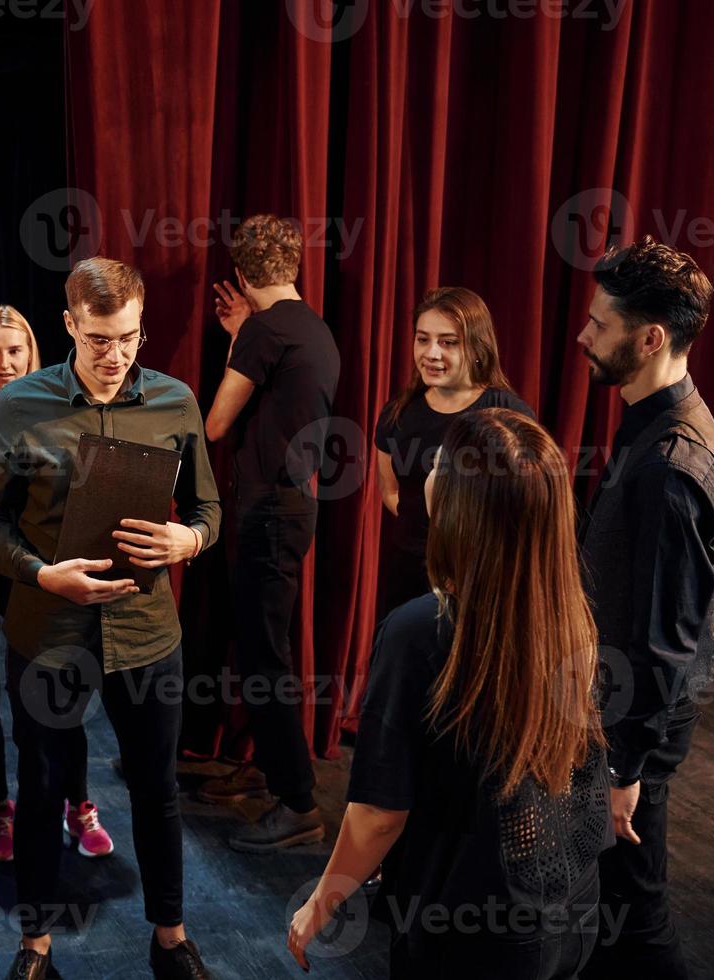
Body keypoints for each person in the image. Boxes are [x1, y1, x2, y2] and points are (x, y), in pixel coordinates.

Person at [288, 408, 613, 979]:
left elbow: (379, 815)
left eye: (439, 462)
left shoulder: (421, 631)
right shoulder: (570, 612)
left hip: (472, 932)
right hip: (571, 909)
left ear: (465, 506)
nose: (428, 469)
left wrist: (322, 900)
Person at [0, 257, 222, 980]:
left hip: (145, 633)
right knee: (42, 790)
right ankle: (36, 946)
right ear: (69, 325)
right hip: (48, 630)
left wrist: (189, 540)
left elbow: (208, 510)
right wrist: (43, 573)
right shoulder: (20, 404)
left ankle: (169, 937)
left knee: (155, 789)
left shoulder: (175, 402)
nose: (115, 356)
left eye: (129, 338)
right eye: (99, 339)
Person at [576, 238, 714, 980]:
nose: (582, 335)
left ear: (649, 339)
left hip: (633, 731)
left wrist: (621, 771)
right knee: (613, 914)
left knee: (636, 917)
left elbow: (665, 642)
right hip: (622, 716)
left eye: (598, 324)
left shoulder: (670, 464)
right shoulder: (652, 424)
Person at [0, 305, 111, 861]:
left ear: (33, 352)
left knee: (57, 697)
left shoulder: (60, 416)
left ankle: (77, 804)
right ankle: (1, 811)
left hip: (39, 579)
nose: (4, 362)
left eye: (15, 350)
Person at [196, 214, 342, 854]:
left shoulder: (263, 331)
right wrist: (244, 335)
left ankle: (298, 803)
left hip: (265, 514)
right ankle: (266, 773)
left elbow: (215, 424)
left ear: (241, 275)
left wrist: (238, 339)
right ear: (295, 266)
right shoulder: (313, 328)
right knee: (257, 645)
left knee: (264, 658)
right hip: (290, 509)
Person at [373, 287, 533, 616]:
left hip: (481, 579)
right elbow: (390, 490)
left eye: (448, 342)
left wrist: (463, 547)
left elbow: (527, 505)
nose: (431, 353)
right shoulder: (397, 414)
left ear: (476, 346)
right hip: (408, 574)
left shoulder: (506, 415)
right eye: (423, 339)